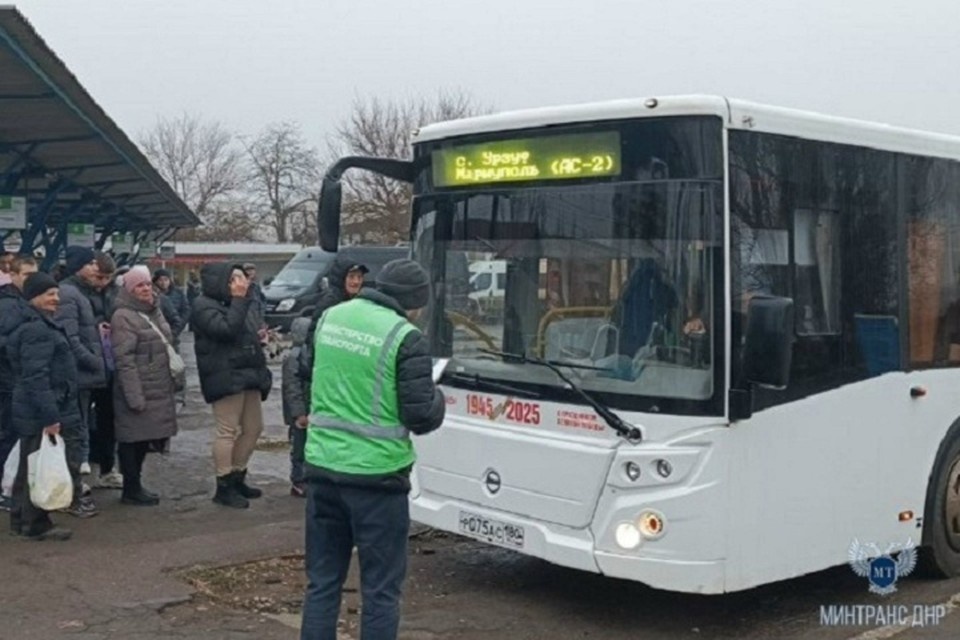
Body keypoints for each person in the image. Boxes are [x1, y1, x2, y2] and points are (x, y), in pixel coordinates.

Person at [300, 259, 445, 640]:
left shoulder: (330, 317)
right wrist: (439, 397)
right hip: (377, 481)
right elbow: (421, 417)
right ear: (414, 302)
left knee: (322, 583)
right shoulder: (406, 336)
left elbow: (308, 371)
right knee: (380, 591)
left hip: (322, 470)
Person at [191, 262, 272, 509]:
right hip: (224, 375)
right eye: (235, 278)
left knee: (254, 427)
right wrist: (239, 300)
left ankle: (238, 475)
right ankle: (224, 483)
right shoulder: (203, 305)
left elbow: (242, 331)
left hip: (247, 374)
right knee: (227, 430)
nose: (242, 282)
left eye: (242, 278)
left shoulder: (239, 303)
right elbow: (226, 330)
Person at [7, 272, 80, 541]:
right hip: (40, 408)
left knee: (29, 464)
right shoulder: (37, 329)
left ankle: (21, 519)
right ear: (34, 297)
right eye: (50, 294)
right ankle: (35, 522)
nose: (56, 299)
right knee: (37, 464)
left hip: (31, 406)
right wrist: (50, 416)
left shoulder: (32, 324)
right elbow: (36, 376)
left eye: (57, 294)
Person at [110, 267, 179, 506]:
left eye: (148, 284)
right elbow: (124, 359)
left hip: (156, 386)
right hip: (138, 387)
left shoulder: (154, 309)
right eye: (139, 285)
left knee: (143, 439)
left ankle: (136, 485)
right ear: (129, 289)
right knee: (132, 439)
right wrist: (134, 396)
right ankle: (131, 487)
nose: (146, 288)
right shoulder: (123, 316)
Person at [54, 246, 107, 518]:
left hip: (81, 378)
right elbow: (69, 339)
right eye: (90, 264)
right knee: (74, 434)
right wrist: (95, 361)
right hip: (75, 377)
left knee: (80, 431)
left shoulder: (78, 293)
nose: (95, 268)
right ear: (78, 266)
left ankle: (73, 488)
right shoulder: (68, 294)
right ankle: (71, 493)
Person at [0, 255, 38, 512]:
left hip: (14, 380)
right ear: (12, 275)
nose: (30, 281)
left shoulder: (23, 303)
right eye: (26, 275)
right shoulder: (9, 306)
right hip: (8, 381)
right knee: (7, 435)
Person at [298, 255, 369, 386]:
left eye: (359, 277)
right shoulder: (330, 302)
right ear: (341, 278)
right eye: (352, 277)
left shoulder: (358, 302)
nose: (356, 282)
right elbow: (315, 336)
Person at [88, 251, 123, 490]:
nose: (103, 282)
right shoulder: (75, 293)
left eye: (107, 278)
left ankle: (107, 467)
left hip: (109, 366)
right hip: (88, 364)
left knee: (107, 419)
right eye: (100, 277)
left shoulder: (114, 293)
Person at [282, 317, 311, 498]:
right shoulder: (295, 357)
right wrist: (299, 413)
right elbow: (292, 388)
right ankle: (298, 479)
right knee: (300, 446)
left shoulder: (305, 353)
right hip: (300, 413)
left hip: (308, 408)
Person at [153, 268, 189, 346]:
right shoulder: (152, 294)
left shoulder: (178, 293)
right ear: (155, 281)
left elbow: (186, 311)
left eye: (166, 280)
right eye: (160, 280)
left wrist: (177, 328)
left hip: (173, 331)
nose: (163, 283)